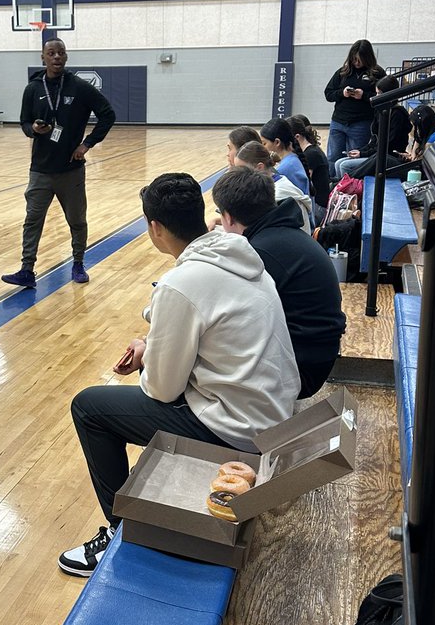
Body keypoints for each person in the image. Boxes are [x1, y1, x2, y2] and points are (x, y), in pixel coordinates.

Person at [59, 172, 299, 577]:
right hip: (274, 413)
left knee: (89, 407)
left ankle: (122, 530)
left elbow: (161, 390)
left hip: (238, 429)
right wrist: (152, 345)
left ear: (154, 227)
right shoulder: (239, 255)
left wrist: (152, 358)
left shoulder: (181, 283)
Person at [212, 166, 346, 399]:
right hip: (315, 357)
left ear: (229, 218)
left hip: (299, 371)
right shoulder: (284, 235)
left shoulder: (261, 253)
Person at [2, 38, 116, 289]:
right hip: (40, 171)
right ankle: (27, 270)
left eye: (60, 53)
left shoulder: (80, 87)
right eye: (51, 53)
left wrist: (87, 144)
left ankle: (78, 263)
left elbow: (108, 114)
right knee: (32, 220)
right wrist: (33, 128)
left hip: (70, 170)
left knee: (77, 220)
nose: (56, 57)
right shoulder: (33, 88)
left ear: (66, 57)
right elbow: (23, 122)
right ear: (43, 57)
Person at [323, 39, 385, 177]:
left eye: (360, 59)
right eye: (354, 59)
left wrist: (364, 95)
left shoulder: (377, 73)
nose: (356, 62)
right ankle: (332, 186)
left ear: (367, 58)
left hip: (361, 123)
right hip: (338, 121)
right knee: (333, 158)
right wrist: (342, 93)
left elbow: (383, 96)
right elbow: (328, 93)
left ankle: (350, 187)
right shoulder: (343, 72)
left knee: (352, 160)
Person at [333, 76, 412, 180]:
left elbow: (388, 145)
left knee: (344, 166)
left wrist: (363, 153)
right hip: (376, 153)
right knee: (338, 163)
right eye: (376, 93)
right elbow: (375, 139)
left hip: (389, 156)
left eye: (379, 93)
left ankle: (348, 189)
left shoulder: (397, 114)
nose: (376, 96)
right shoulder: (381, 110)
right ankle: (342, 189)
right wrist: (360, 151)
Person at [236, 140, 313, 233]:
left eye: (242, 170)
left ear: (259, 167)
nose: (239, 176)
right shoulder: (276, 181)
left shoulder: (278, 196)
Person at [288, 115, 330, 211]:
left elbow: (301, 183)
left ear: (297, 137)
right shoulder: (311, 150)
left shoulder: (311, 155)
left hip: (318, 207)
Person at [260, 118, 310, 194]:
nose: (263, 148)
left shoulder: (283, 169)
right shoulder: (292, 159)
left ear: (277, 142)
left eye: (264, 144)